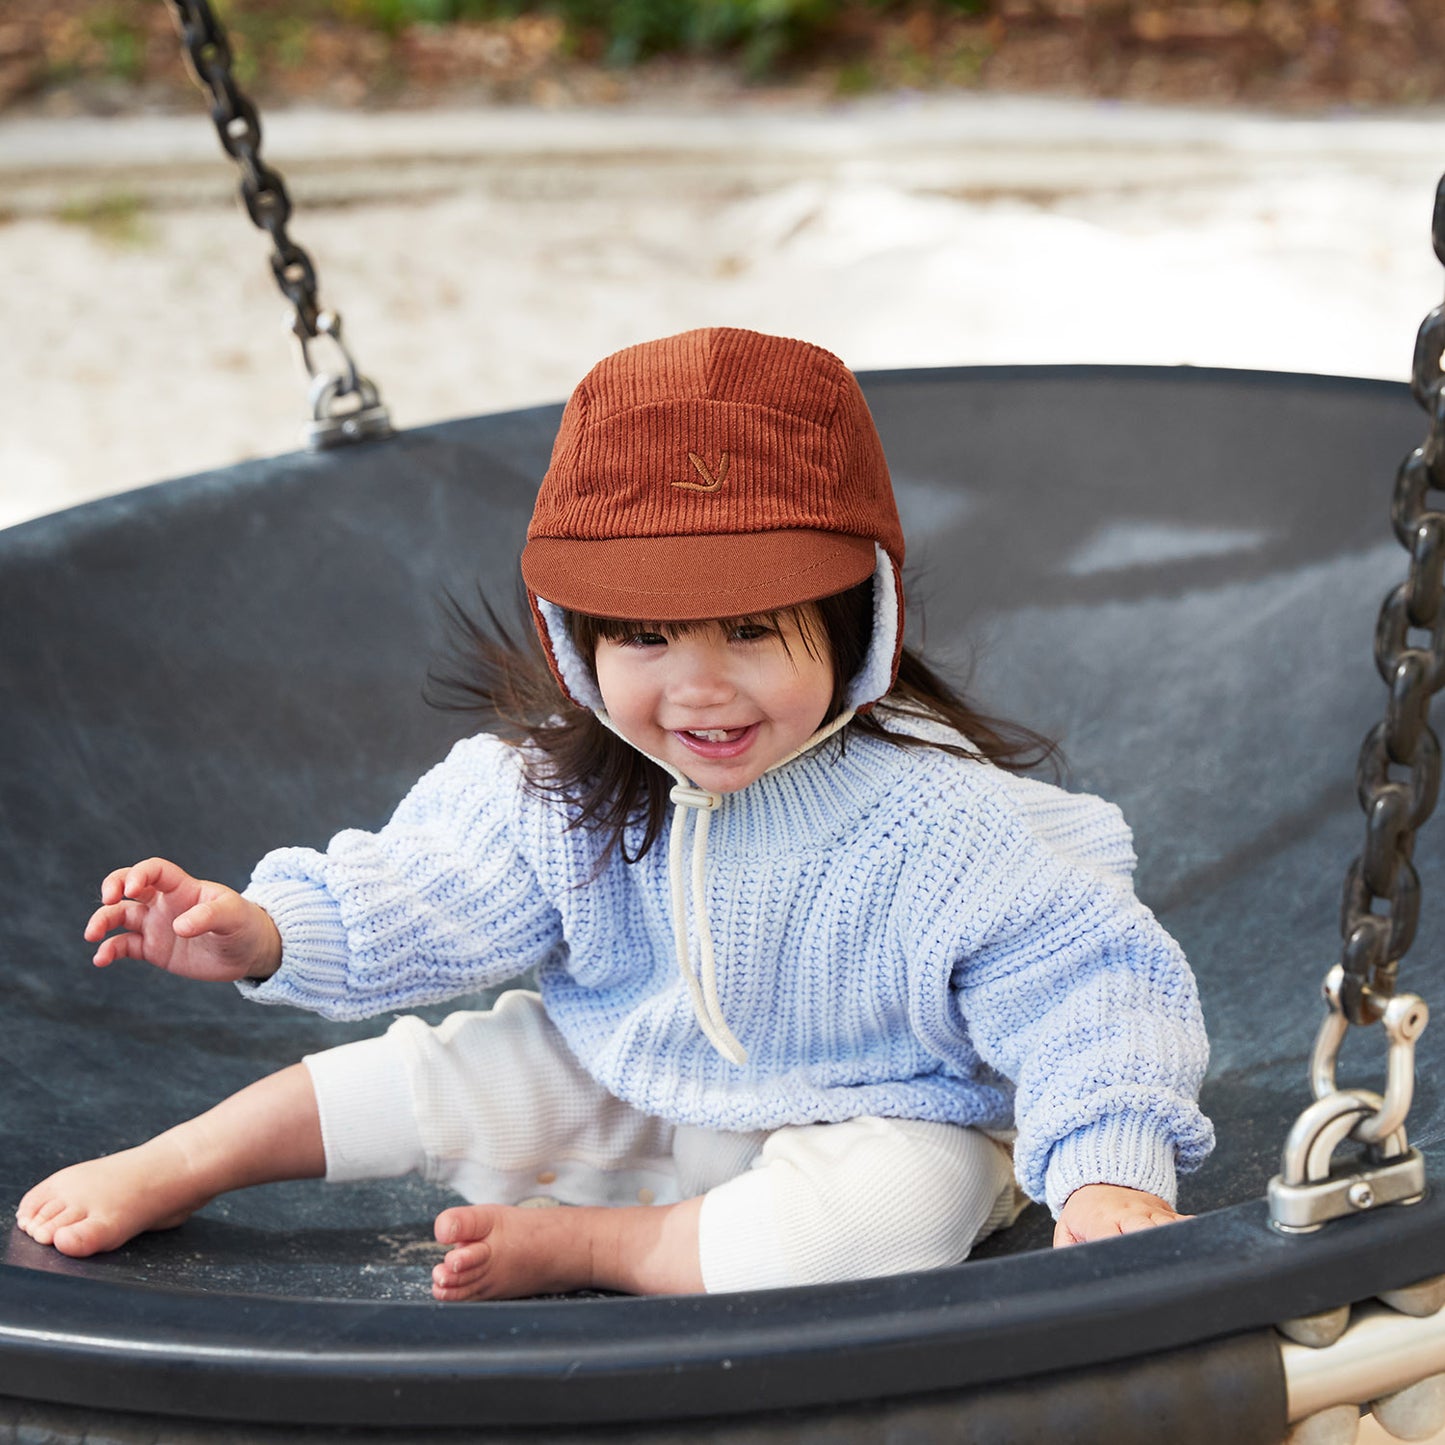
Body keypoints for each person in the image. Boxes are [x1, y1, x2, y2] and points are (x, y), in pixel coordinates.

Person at [17, 327, 1213, 1301]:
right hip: (629, 1066)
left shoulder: (937, 821)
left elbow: (1086, 988)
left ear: (862, 616)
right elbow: (424, 887)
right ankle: (189, 1159)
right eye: (644, 634)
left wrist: (1111, 1168)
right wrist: (263, 929)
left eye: (751, 627)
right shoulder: (551, 787)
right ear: (575, 640)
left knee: (885, 1219)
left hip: (888, 1107)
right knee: (441, 1066)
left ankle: (618, 1247)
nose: (698, 686)